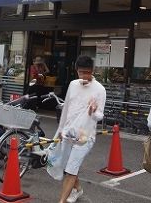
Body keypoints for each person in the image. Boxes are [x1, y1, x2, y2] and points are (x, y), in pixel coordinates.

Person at [54, 55, 106, 203]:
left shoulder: (100, 90)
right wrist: (60, 131)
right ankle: (77, 189)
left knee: (71, 170)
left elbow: (100, 116)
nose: (83, 76)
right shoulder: (73, 84)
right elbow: (67, 109)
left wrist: (93, 112)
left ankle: (61, 201)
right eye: (80, 72)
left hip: (85, 137)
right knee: (67, 167)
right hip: (68, 133)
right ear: (76, 71)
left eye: (87, 72)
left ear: (92, 71)